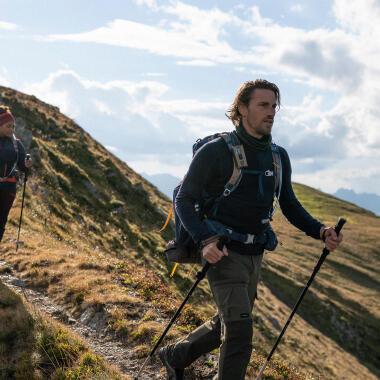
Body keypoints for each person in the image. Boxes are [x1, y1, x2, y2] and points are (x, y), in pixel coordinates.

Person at [158, 79, 343, 379]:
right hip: (221, 251)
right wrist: (205, 240)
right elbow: (185, 199)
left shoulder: (278, 156)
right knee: (241, 332)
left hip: (254, 253)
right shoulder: (216, 151)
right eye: (263, 105)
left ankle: (175, 355)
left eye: (274, 106)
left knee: (227, 322)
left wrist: (321, 231)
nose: (271, 112)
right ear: (242, 109)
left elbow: (289, 204)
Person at [0, 105, 32, 243]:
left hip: (9, 188)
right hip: (7, 187)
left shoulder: (17, 144)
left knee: (1, 221)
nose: (12, 129)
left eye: (13, 126)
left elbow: (22, 167)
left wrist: (26, 166)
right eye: (8, 126)